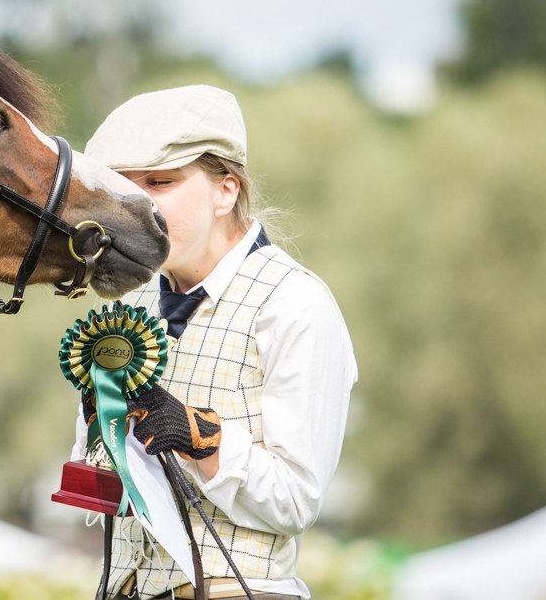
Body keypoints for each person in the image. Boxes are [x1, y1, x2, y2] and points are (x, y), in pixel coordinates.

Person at [71, 85, 357, 600]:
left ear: (226, 190)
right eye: (124, 185)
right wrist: (100, 432)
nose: (138, 204)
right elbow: (107, 482)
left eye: (161, 182)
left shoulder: (295, 304)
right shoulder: (130, 303)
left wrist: (202, 437)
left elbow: (297, 501)